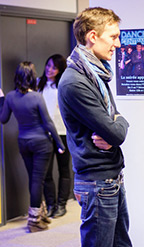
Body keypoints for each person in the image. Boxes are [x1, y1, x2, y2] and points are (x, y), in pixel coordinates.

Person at [58, 7, 131, 247]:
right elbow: (117, 132)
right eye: (113, 37)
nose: (118, 44)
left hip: (110, 178)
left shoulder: (96, 73)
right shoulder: (75, 81)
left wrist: (118, 121)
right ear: (92, 36)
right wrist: (119, 123)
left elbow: (115, 122)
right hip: (97, 182)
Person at [0, 61, 65, 232]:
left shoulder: (10, 97)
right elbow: (48, 123)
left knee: (34, 179)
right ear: (31, 77)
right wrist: (59, 144)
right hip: (41, 144)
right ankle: (34, 221)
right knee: (38, 180)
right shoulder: (36, 97)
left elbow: (3, 119)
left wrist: (1, 100)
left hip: (24, 143)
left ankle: (40, 213)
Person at [37, 54, 71, 218]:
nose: (50, 70)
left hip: (63, 134)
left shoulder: (63, 86)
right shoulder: (38, 84)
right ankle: (51, 204)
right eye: (48, 65)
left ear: (60, 70)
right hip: (44, 135)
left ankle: (62, 205)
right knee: (47, 172)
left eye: (54, 67)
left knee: (64, 169)